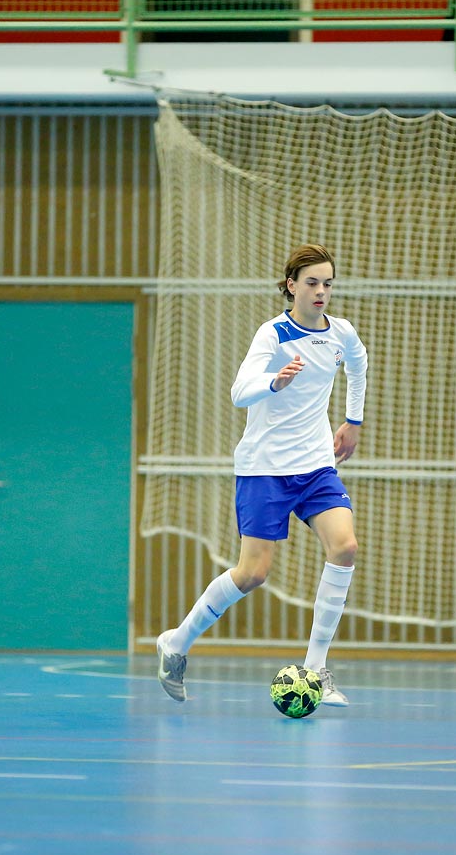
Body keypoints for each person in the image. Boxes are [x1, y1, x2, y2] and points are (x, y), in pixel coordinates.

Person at [156, 244, 368, 707]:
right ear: (291, 285)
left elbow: (358, 364)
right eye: (312, 282)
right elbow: (238, 392)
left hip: (315, 465)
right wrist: (274, 382)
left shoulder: (341, 333)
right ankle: (176, 641)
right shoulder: (272, 335)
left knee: (345, 547)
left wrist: (353, 421)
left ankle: (315, 670)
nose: (321, 292)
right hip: (265, 469)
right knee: (253, 573)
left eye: (328, 283)